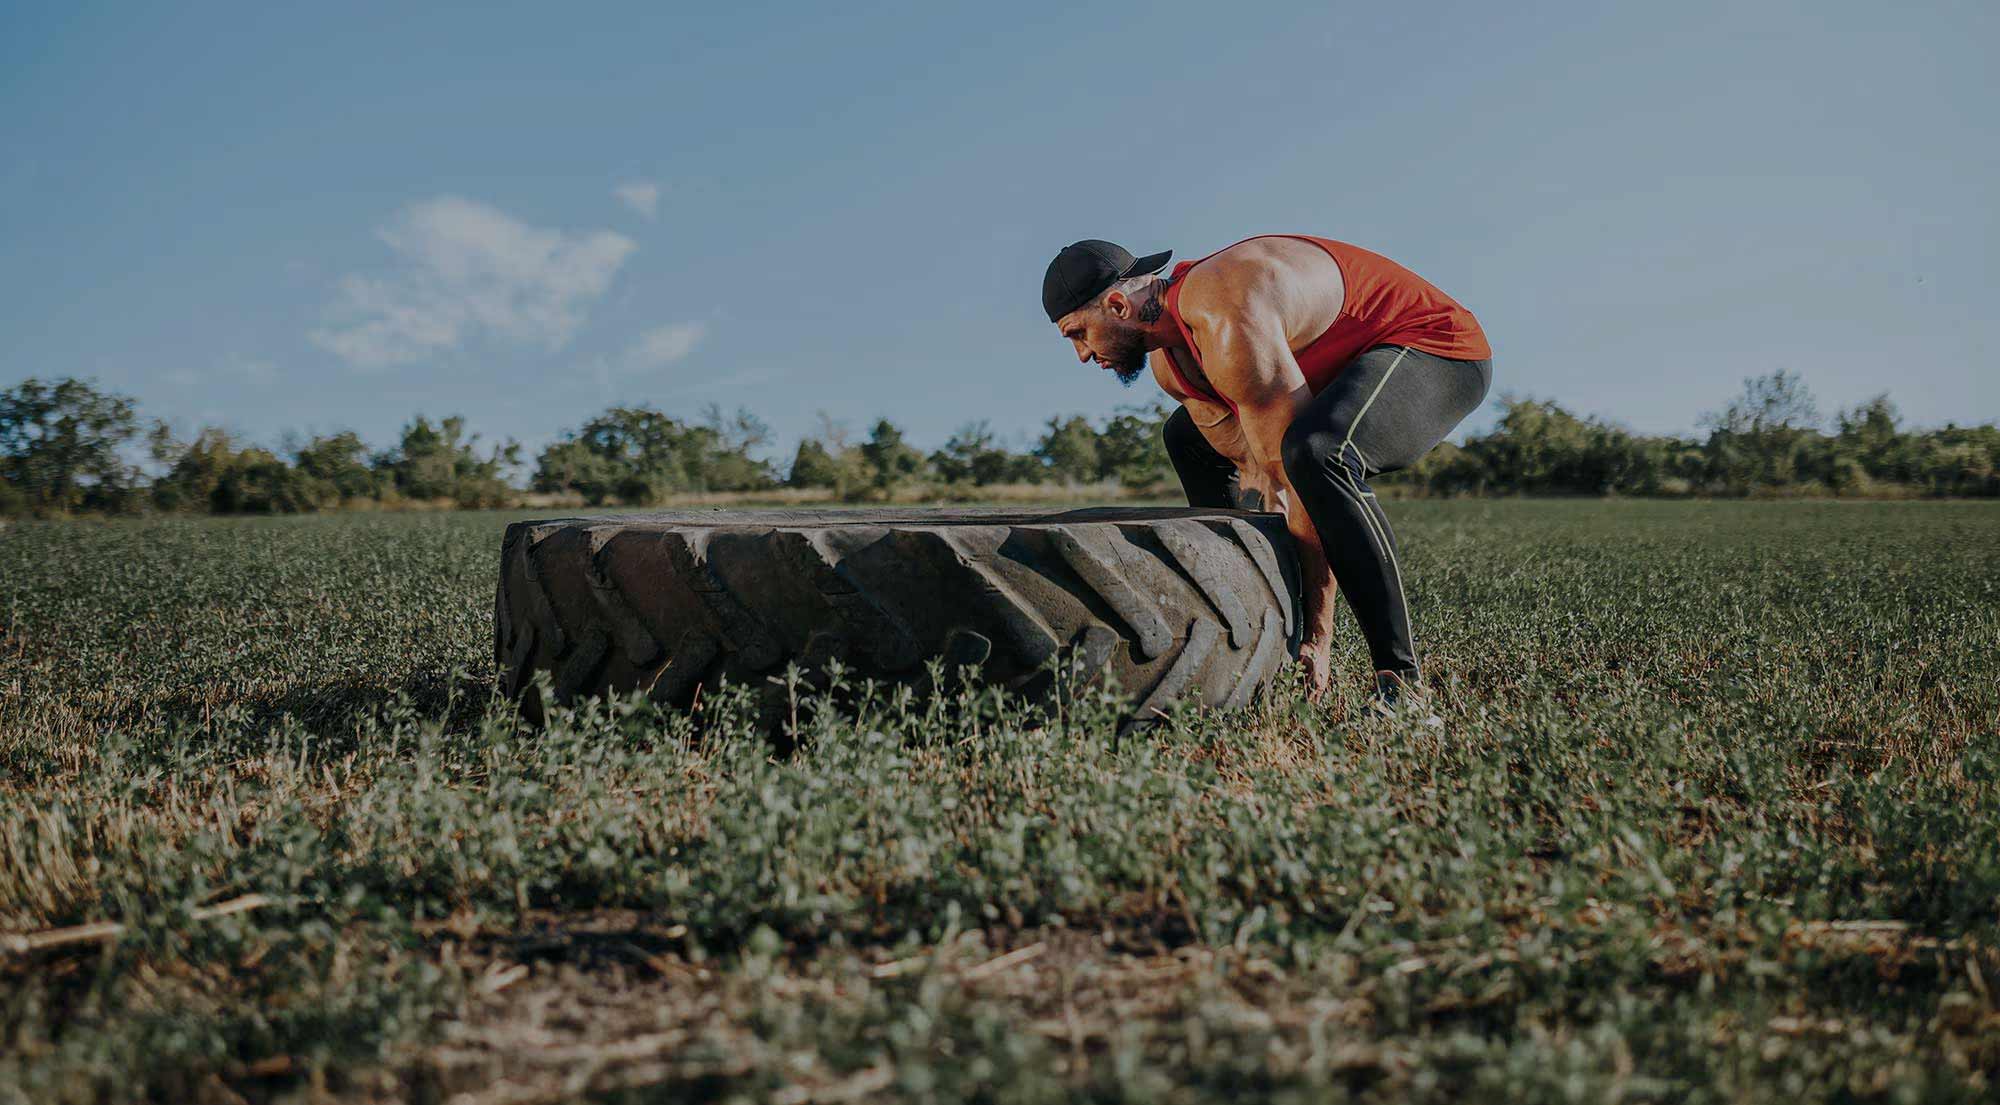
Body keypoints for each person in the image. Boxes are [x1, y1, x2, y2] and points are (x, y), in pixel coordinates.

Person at [1042, 235, 1491, 709]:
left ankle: (1401, 686)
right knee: (1187, 439)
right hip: (1340, 369)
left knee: (1318, 454)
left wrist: (1316, 633)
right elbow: (1260, 481)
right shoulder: (1172, 367)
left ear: (1117, 305)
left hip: (1433, 346)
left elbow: (1294, 482)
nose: (1082, 355)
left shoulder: (1225, 314)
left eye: (1078, 333)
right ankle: (1237, 630)